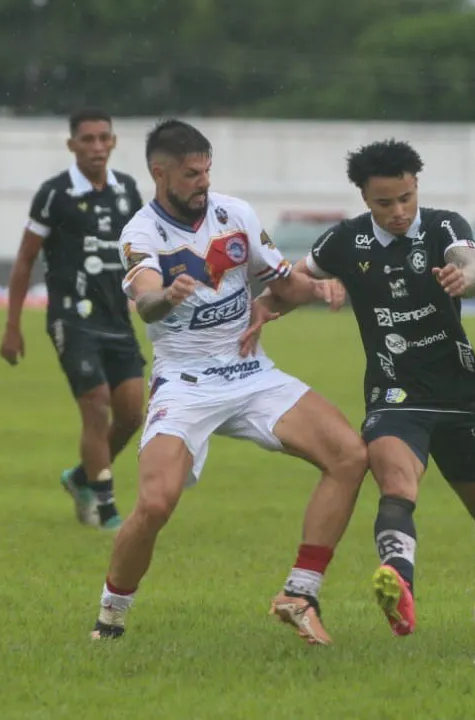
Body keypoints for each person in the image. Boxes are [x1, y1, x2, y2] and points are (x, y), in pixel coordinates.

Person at [90, 119, 369, 645]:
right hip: (185, 384)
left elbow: (283, 282)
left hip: (250, 373)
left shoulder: (234, 215)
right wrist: (166, 296)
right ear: (160, 172)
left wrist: (324, 288)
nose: (203, 181)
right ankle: (111, 616)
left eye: (207, 170)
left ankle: (299, 593)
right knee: (154, 504)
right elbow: (145, 300)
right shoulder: (140, 233)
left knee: (351, 455)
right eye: (192, 173)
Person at [244, 139, 475, 637]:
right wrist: (267, 304)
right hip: (395, 394)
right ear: (365, 199)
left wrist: (464, 277)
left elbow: (472, 267)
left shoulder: (443, 226)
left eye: (406, 198)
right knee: (395, 483)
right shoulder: (345, 242)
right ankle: (399, 584)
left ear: (417, 187)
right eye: (384, 203)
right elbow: (298, 280)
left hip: (461, 396)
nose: (398, 212)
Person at [0, 108, 147, 530]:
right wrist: (12, 326)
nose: (97, 147)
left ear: (114, 141)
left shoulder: (128, 191)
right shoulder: (55, 194)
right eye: (88, 139)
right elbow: (26, 259)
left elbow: (141, 247)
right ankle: (106, 509)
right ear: (72, 145)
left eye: (104, 138)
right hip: (72, 317)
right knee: (96, 407)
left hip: (117, 319)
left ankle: (81, 478)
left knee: (132, 415)